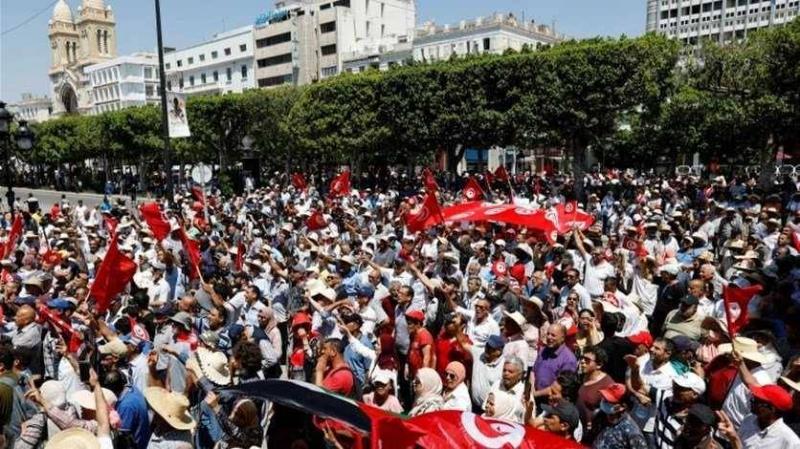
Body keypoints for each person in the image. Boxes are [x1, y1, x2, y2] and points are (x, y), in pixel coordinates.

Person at [718, 384, 800, 449]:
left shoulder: (791, 441)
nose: (751, 401)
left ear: (772, 409)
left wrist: (734, 439)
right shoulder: (749, 419)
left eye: (757, 401)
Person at [591, 383, 649, 449]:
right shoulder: (600, 416)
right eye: (604, 399)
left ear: (622, 407)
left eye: (609, 401)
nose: (604, 402)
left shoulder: (632, 433)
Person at [577, 346, 615, 431]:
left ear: (599, 365)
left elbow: (610, 412)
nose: (582, 362)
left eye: (587, 360)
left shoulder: (607, 384)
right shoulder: (582, 376)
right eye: (582, 358)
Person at [534, 323, 578, 392]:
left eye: (553, 335)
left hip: (550, 400)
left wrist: (536, 394)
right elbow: (533, 371)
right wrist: (531, 391)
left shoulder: (569, 359)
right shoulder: (544, 350)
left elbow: (561, 386)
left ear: (562, 338)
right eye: (548, 334)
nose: (549, 337)